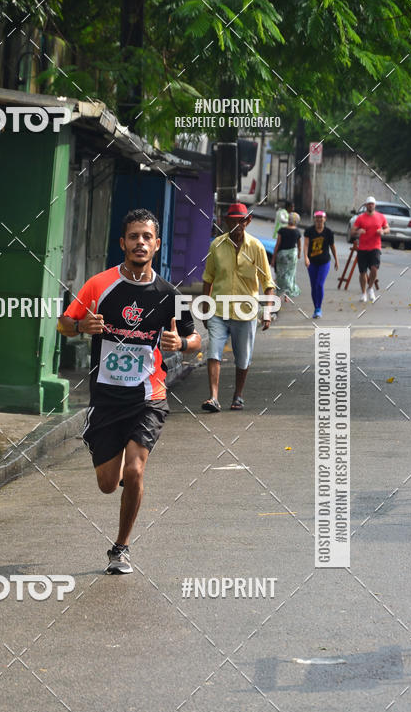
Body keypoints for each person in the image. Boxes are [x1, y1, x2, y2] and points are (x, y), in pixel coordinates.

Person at [57, 209, 201, 574]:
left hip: (148, 398)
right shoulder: (99, 285)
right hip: (106, 399)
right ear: (123, 243)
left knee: (135, 470)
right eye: (133, 236)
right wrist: (81, 327)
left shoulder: (170, 295)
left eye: (147, 237)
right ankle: (114, 464)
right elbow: (64, 323)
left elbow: (196, 340)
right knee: (108, 485)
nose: (140, 242)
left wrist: (180, 343)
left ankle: (120, 548)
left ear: (156, 244)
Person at [201, 202, 276, 412]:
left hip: (246, 312)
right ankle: (213, 398)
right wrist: (205, 308)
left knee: (243, 357)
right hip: (218, 309)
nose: (237, 225)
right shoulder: (216, 245)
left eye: (241, 221)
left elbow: (268, 284)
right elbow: (208, 278)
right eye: (233, 221)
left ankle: (238, 395)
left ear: (248, 221)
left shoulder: (256, 247)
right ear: (226, 221)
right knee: (213, 352)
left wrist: (267, 312)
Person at [350, 196, 390, 302]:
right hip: (363, 248)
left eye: (372, 204)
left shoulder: (381, 217)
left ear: (375, 205)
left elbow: (387, 228)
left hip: (375, 247)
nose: (370, 205)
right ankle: (363, 293)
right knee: (362, 272)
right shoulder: (360, 218)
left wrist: (383, 231)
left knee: (374, 269)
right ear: (366, 205)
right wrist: (358, 232)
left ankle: (370, 287)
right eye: (369, 204)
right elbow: (352, 231)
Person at [303, 211, 339, 318]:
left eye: (321, 218)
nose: (319, 220)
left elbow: (332, 247)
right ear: (314, 219)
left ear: (325, 219)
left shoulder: (328, 232)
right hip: (312, 263)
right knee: (313, 286)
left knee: (319, 284)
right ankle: (316, 308)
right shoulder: (309, 231)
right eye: (317, 218)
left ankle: (319, 308)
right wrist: (305, 257)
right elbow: (305, 245)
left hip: (324, 262)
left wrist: (336, 260)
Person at [272, 211, 301, 304]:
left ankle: (279, 295)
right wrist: (299, 254)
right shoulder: (297, 232)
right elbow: (299, 246)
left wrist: (273, 258)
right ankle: (287, 296)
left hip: (282, 256)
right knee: (290, 275)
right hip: (292, 256)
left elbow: (277, 245)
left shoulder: (282, 230)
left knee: (280, 275)